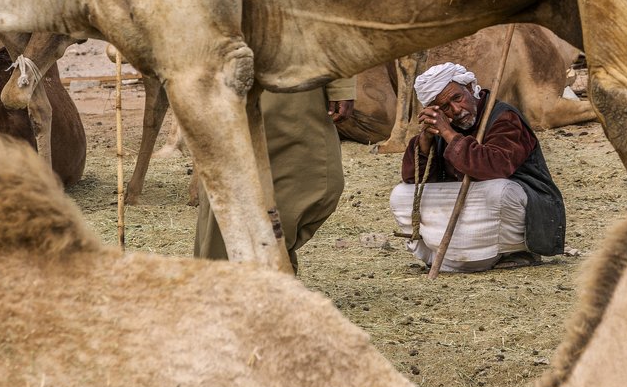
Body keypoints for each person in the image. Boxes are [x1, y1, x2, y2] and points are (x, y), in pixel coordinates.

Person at [389, 62, 564, 273]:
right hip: (472, 205)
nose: (455, 110)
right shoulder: (443, 126)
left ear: (471, 88)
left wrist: (449, 135)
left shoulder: (504, 117)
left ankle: (513, 250)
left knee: (498, 192)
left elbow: (494, 168)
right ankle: (441, 256)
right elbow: (414, 179)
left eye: (457, 98)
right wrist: (425, 141)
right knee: (401, 195)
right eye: (444, 108)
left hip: (519, 201)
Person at [194, 78, 355, 273]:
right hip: (228, 77)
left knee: (319, 181)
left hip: (298, 77)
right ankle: (239, 277)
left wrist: (341, 84)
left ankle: (263, 269)